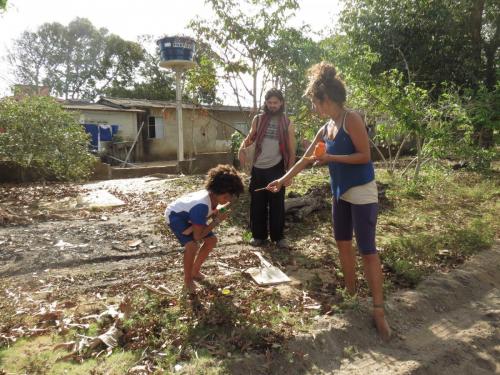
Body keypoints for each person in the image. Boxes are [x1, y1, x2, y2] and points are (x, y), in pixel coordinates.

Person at [267, 63, 391, 341]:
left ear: (326, 99)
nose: (314, 107)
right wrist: (283, 179)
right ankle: (351, 296)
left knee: (367, 250)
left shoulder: (352, 119)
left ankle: (379, 311)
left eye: (314, 101)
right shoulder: (326, 127)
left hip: (361, 191)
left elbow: (365, 156)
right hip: (339, 193)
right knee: (343, 244)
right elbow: (306, 158)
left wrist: (332, 158)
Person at [165, 164, 244, 293]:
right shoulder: (201, 207)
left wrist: (215, 212)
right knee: (192, 245)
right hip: (176, 216)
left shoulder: (213, 197)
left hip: (191, 214)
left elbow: (212, 209)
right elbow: (197, 236)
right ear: (216, 191)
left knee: (212, 240)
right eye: (225, 197)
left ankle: (195, 271)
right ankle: (188, 279)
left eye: (230, 196)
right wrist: (217, 220)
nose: (228, 200)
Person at [238, 88, 296, 249]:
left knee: (277, 204)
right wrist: (242, 149)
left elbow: (292, 150)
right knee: (257, 203)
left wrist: (289, 174)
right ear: (266, 103)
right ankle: (258, 236)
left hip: (277, 168)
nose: (272, 106)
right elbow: (249, 139)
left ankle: (278, 238)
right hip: (258, 168)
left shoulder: (288, 123)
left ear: (281, 103)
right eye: (269, 102)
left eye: (275, 103)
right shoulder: (258, 119)